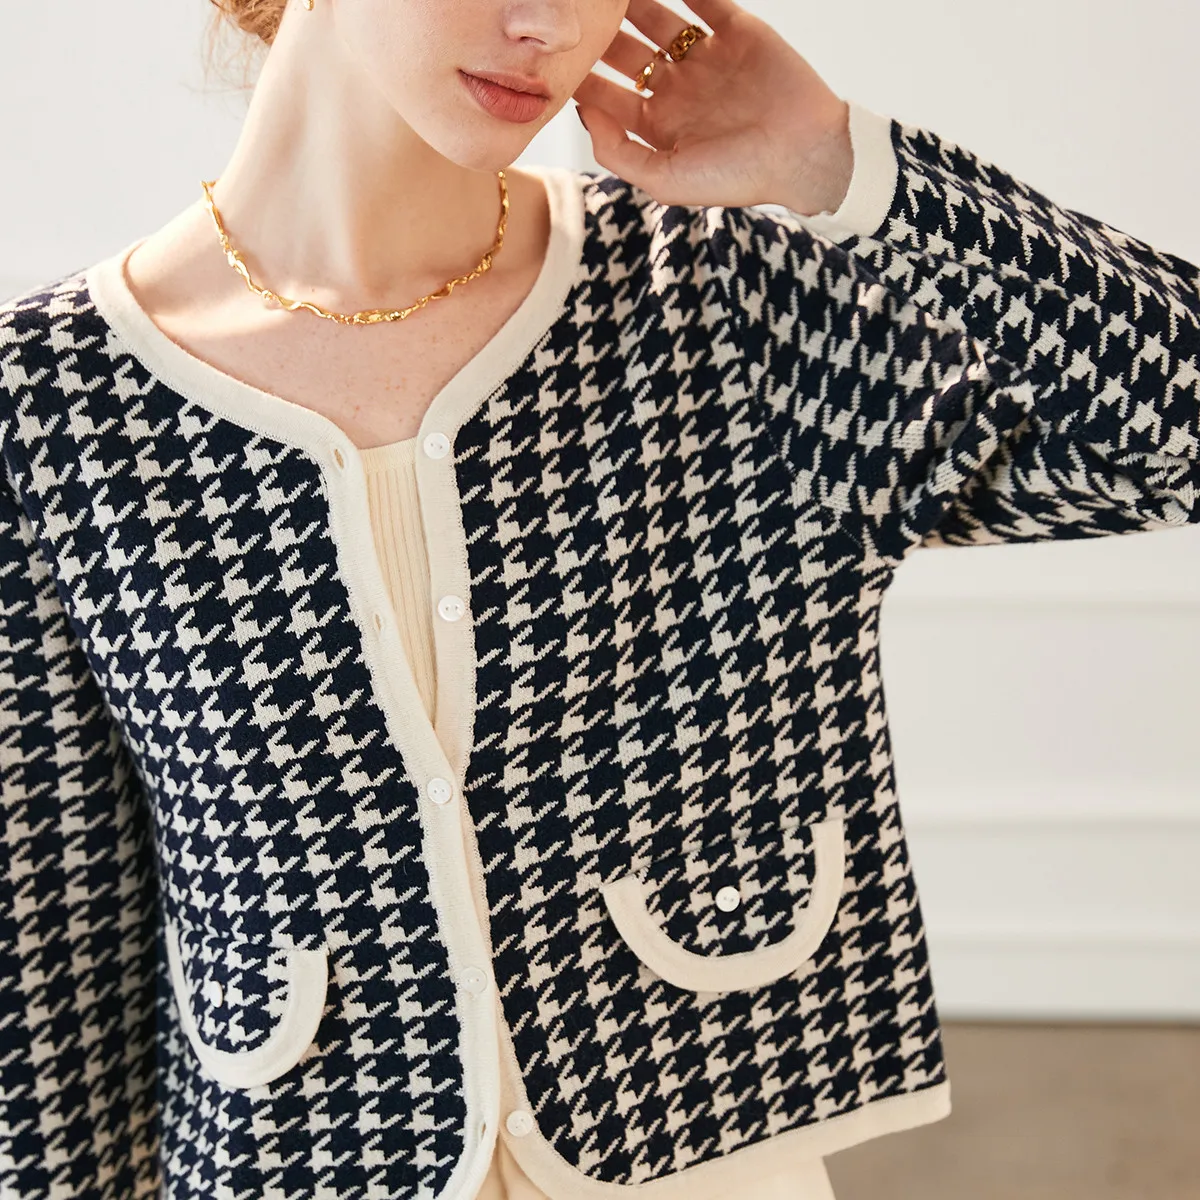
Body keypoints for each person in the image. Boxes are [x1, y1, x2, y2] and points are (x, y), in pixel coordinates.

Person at [0, 0, 1195, 1196]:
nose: (550, 25)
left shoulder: (719, 301)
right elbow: (48, 953)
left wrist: (835, 163)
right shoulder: (51, 403)